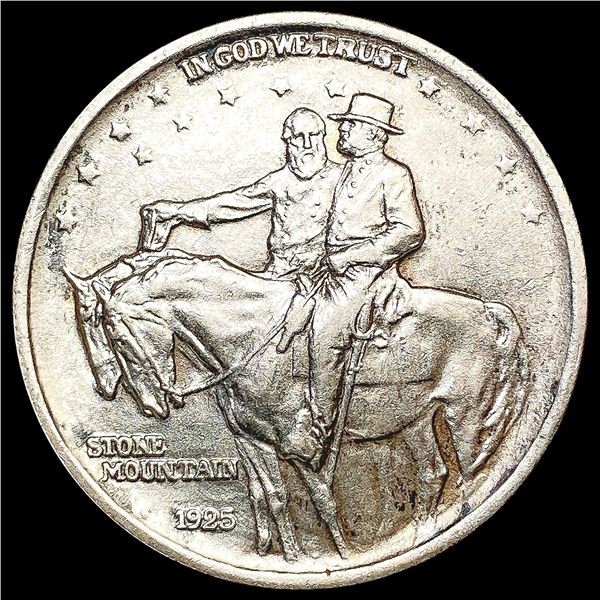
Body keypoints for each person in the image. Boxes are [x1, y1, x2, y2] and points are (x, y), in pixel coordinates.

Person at [284, 93, 426, 468]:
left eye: (351, 125)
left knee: (325, 331)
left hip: (367, 273)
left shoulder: (394, 175)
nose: (343, 130)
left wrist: (349, 256)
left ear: (374, 135)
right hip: (331, 267)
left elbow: (409, 231)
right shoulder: (344, 170)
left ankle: (317, 430)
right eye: (344, 123)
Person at [142, 107, 342, 279]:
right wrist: (175, 211)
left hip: (323, 276)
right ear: (288, 141)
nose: (308, 144)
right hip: (279, 275)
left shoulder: (341, 177)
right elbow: (231, 204)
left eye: (314, 135)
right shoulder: (278, 181)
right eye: (299, 137)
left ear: (323, 136)